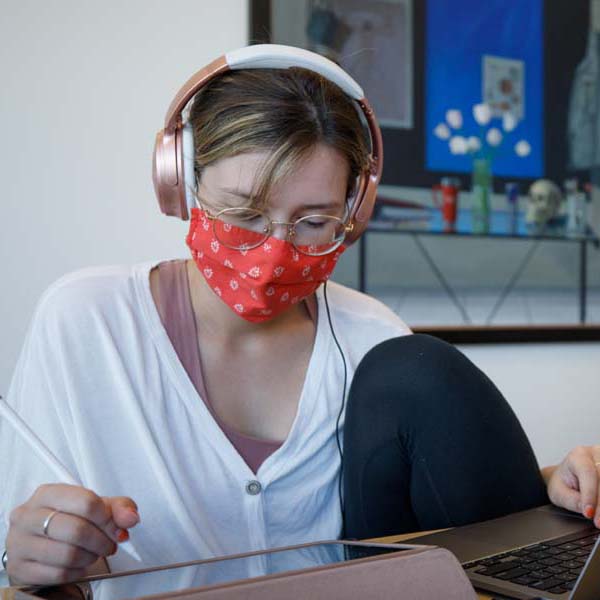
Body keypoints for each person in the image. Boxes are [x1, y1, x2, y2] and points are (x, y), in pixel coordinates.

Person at [1, 45, 599, 597]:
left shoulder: (372, 339)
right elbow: (26, 544)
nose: (272, 252)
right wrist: (27, 554)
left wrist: (550, 485)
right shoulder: (86, 321)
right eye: (242, 214)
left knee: (419, 369)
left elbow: (444, 500)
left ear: (353, 212)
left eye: (313, 223)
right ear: (180, 183)